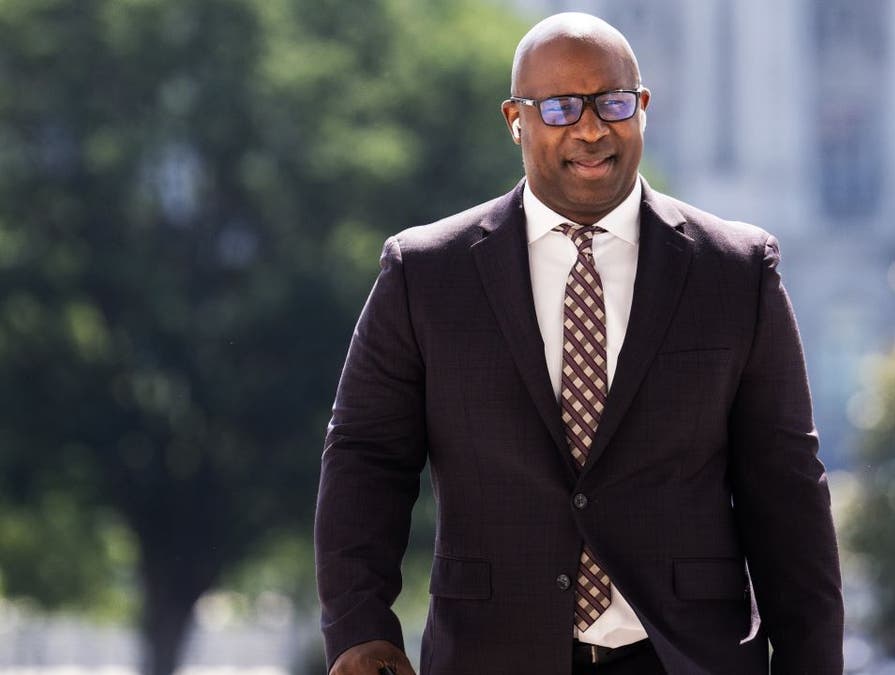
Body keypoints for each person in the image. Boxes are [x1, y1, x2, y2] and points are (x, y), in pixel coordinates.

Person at [315, 12, 843, 675]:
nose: (591, 128)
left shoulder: (736, 271)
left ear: (643, 108)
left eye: (612, 102)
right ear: (516, 118)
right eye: (561, 107)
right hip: (491, 657)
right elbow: (367, 456)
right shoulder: (425, 272)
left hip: (684, 658)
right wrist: (360, 628)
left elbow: (786, 486)